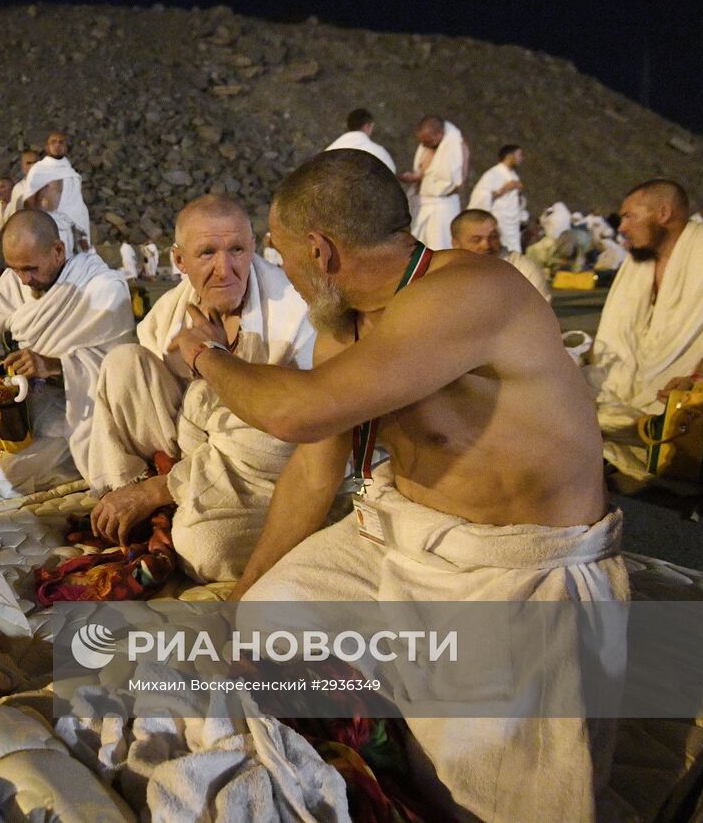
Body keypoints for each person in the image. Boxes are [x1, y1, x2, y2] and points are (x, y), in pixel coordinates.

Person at [167, 149, 623, 822]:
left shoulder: (470, 291)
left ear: (320, 251)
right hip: (400, 532)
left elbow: (296, 412)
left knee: (474, 795)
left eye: (281, 254)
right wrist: (243, 596)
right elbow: (314, 466)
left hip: (515, 568)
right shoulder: (345, 325)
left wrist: (204, 355)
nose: (280, 271)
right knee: (266, 625)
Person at [87, 194, 315, 583]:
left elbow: (278, 443)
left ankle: (159, 503)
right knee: (123, 363)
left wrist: (218, 360)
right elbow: (154, 408)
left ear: (254, 247)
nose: (225, 269)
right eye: (207, 253)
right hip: (194, 452)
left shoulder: (294, 318)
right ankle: (136, 505)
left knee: (207, 551)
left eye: (237, 250)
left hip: (253, 469)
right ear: (179, 260)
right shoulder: (169, 313)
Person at [0, 210, 134, 500]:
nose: (24, 280)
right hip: (22, 415)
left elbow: (121, 373)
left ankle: (73, 467)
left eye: (30, 269)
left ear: (58, 251)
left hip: (75, 419)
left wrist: (53, 365)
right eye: (15, 269)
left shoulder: (103, 289)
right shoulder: (14, 282)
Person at [589, 179, 703, 481]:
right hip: (628, 385)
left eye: (629, 216)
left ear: (663, 213)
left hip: (695, 387)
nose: (621, 227)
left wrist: (701, 378)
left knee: (601, 419)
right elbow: (619, 332)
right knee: (569, 399)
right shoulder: (638, 261)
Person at [398, 115, 468, 250]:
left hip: (441, 209)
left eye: (427, 141)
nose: (424, 145)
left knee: (439, 249)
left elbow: (457, 182)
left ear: (440, 133)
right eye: (422, 142)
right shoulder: (428, 147)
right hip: (421, 205)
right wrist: (414, 177)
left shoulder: (456, 146)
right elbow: (424, 173)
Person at [451, 209, 551, 302]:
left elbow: (541, 311)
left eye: (493, 237)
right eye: (476, 240)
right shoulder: (447, 273)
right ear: (456, 244)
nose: (486, 245)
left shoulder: (522, 269)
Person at [23, 131, 92, 252]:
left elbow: (78, 207)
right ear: (47, 147)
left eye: (61, 142)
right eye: (53, 142)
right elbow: (28, 203)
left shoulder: (70, 173)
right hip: (46, 228)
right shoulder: (38, 170)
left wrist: (83, 233)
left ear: (66, 147)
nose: (57, 145)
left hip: (69, 230)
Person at [468, 144, 526, 252]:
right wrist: (504, 189)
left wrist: (519, 194)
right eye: (519, 155)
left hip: (512, 225)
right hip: (498, 221)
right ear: (509, 156)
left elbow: (516, 202)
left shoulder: (514, 176)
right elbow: (480, 196)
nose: (522, 158)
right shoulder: (493, 174)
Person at [323, 108, 396, 173]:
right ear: (367, 126)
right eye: (372, 127)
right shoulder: (378, 152)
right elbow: (390, 176)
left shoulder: (329, 150)